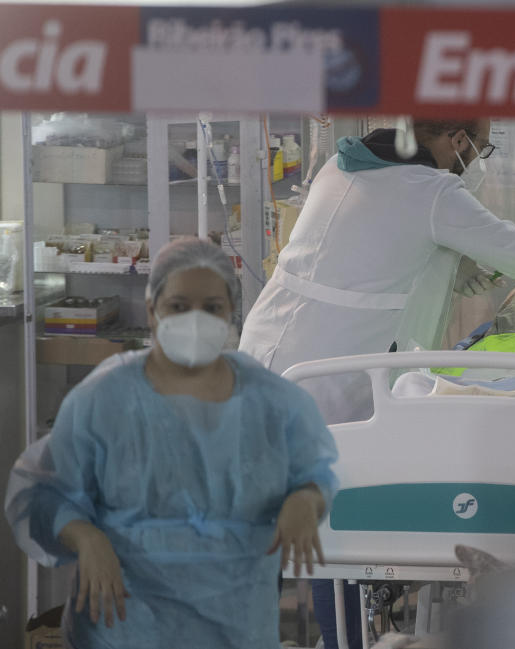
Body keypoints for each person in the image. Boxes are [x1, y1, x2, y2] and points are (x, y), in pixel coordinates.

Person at [4, 237, 339, 649]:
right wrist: (86, 537)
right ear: (152, 310)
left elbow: (315, 473)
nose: (195, 321)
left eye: (211, 308)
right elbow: (41, 492)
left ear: (232, 312)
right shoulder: (107, 398)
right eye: (179, 307)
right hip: (125, 625)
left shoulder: (271, 402)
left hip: (235, 624)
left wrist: (305, 500)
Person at [239, 118, 515, 424]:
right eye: (482, 148)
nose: (478, 159)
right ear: (458, 139)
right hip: (326, 370)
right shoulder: (433, 191)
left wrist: (454, 266)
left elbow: (371, 250)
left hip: (267, 338)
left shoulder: (343, 164)